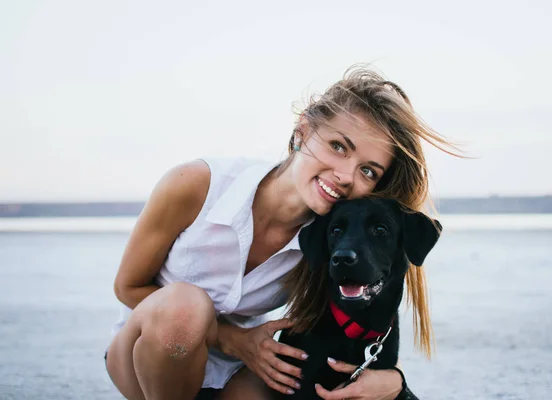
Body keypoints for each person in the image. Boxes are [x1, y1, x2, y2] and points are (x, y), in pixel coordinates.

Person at [105, 65, 457, 400]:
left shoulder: (325, 238)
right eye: (338, 146)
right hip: (149, 355)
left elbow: (367, 312)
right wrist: (230, 338)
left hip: (241, 367)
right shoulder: (197, 184)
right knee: (185, 307)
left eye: (367, 171)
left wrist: (394, 381)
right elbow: (127, 286)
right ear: (303, 130)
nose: (347, 175)